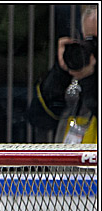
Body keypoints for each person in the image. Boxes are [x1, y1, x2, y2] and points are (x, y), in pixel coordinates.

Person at [27, 6, 97, 143]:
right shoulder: (81, 67)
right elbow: (39, 119)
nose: (94, 48)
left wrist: (89, 80)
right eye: (90, 40)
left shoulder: (87, 76)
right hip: (70, 161)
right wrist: (61, 72)